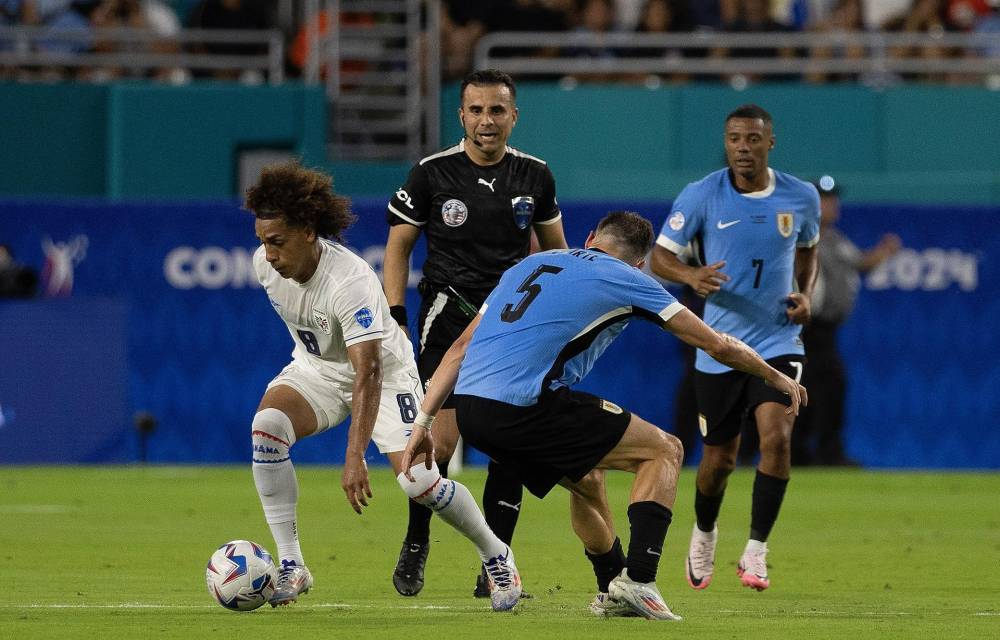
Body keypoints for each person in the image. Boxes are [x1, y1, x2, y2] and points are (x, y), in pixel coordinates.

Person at [399, 211, 806, 620]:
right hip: (525, 406)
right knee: (663, 450)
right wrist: (772, 374)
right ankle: (639, 580)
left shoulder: (528, 265)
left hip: (470, 410)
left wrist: (423, 423)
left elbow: (457, 350)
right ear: (640, 263)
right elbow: (716, 344)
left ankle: (611, 586)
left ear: (591, 237)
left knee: (589, 481)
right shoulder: (628, 278)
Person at [244, 160, 522, 612]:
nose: (269, 254)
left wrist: (355, 455)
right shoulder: (265, 265)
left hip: (385, 375)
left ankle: (496, 553)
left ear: (310, 231)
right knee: (268, 429)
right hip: (319, 368)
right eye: (263, 242)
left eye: (277, 242)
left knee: (420, 482)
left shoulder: (349, 281)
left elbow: (369, 372)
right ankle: (292, 564)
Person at [383, 68, 568, 598]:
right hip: (448, 312)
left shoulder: (535, 175)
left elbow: (555, 255)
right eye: (477, 110)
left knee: (510, 442)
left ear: (514, 116)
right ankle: (417, 537)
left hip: (511, 323)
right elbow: (398, 247)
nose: (487, 121)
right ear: (461, 115)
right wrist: (395, 312)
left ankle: (494, 568)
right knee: (438, 440)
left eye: (497, 110)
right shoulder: (430, 173)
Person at [650, 103, 820, 592]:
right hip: (720, 346)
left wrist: (805, 291)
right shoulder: (702, 195)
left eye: (752, 139)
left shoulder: (801, 197)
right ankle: (704, 532)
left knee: (777, 437)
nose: (742, 148)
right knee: (719, 460)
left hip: (779, 340)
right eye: (734, 139)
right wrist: (691, 275)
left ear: (771, 143)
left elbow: (809, 248)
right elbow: (661, 257)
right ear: (725, 144)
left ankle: (757, 551)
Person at [793, 176, 901, 466]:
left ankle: (815, 452)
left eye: (832, 199)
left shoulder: (835, 238)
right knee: (814, 386)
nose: (832, 205)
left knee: (823, 387)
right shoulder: (798, 235)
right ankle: (813, 452)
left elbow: (860, 263)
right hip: (804, 328)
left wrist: (884, 252)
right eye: (825, 200)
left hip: (825, 330)